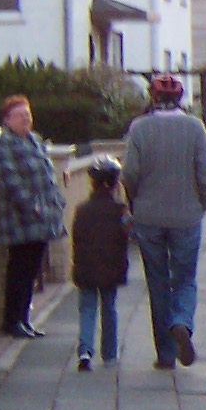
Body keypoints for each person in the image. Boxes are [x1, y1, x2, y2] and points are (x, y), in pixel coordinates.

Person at [123, 71, 206, 370]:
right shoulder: (194, 127)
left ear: (152, 97)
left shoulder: (138, 129)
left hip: (149, 216)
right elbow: (205, 173)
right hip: (186, 216)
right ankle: (182, 323)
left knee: (157, 282)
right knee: (185, 278)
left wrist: (136, 202)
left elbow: (129, 174)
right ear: (180, 98)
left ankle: (165, 355)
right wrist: (205, 202)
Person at [0, 95, 67, 338]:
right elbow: (11, 182)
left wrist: (55, 202)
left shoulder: (34, 140)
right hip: (20, 220)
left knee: (32, 270)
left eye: (28, 114)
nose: (26, 119)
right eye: (20, 115)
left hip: (42, 218)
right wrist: (32, 207)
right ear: (7, 120)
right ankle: (12, 321)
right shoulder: (4, 145)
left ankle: (24, 319)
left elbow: (46, 173)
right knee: (19, 270)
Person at [70, 156, 129, 371]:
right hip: (111, 268)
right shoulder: (120, 211)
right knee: (109, 308)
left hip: (86, 268)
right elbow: (129, 233)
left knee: (87, 308)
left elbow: (76, 239)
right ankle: (110, 352)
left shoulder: (82, 210)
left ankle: (85, 350)